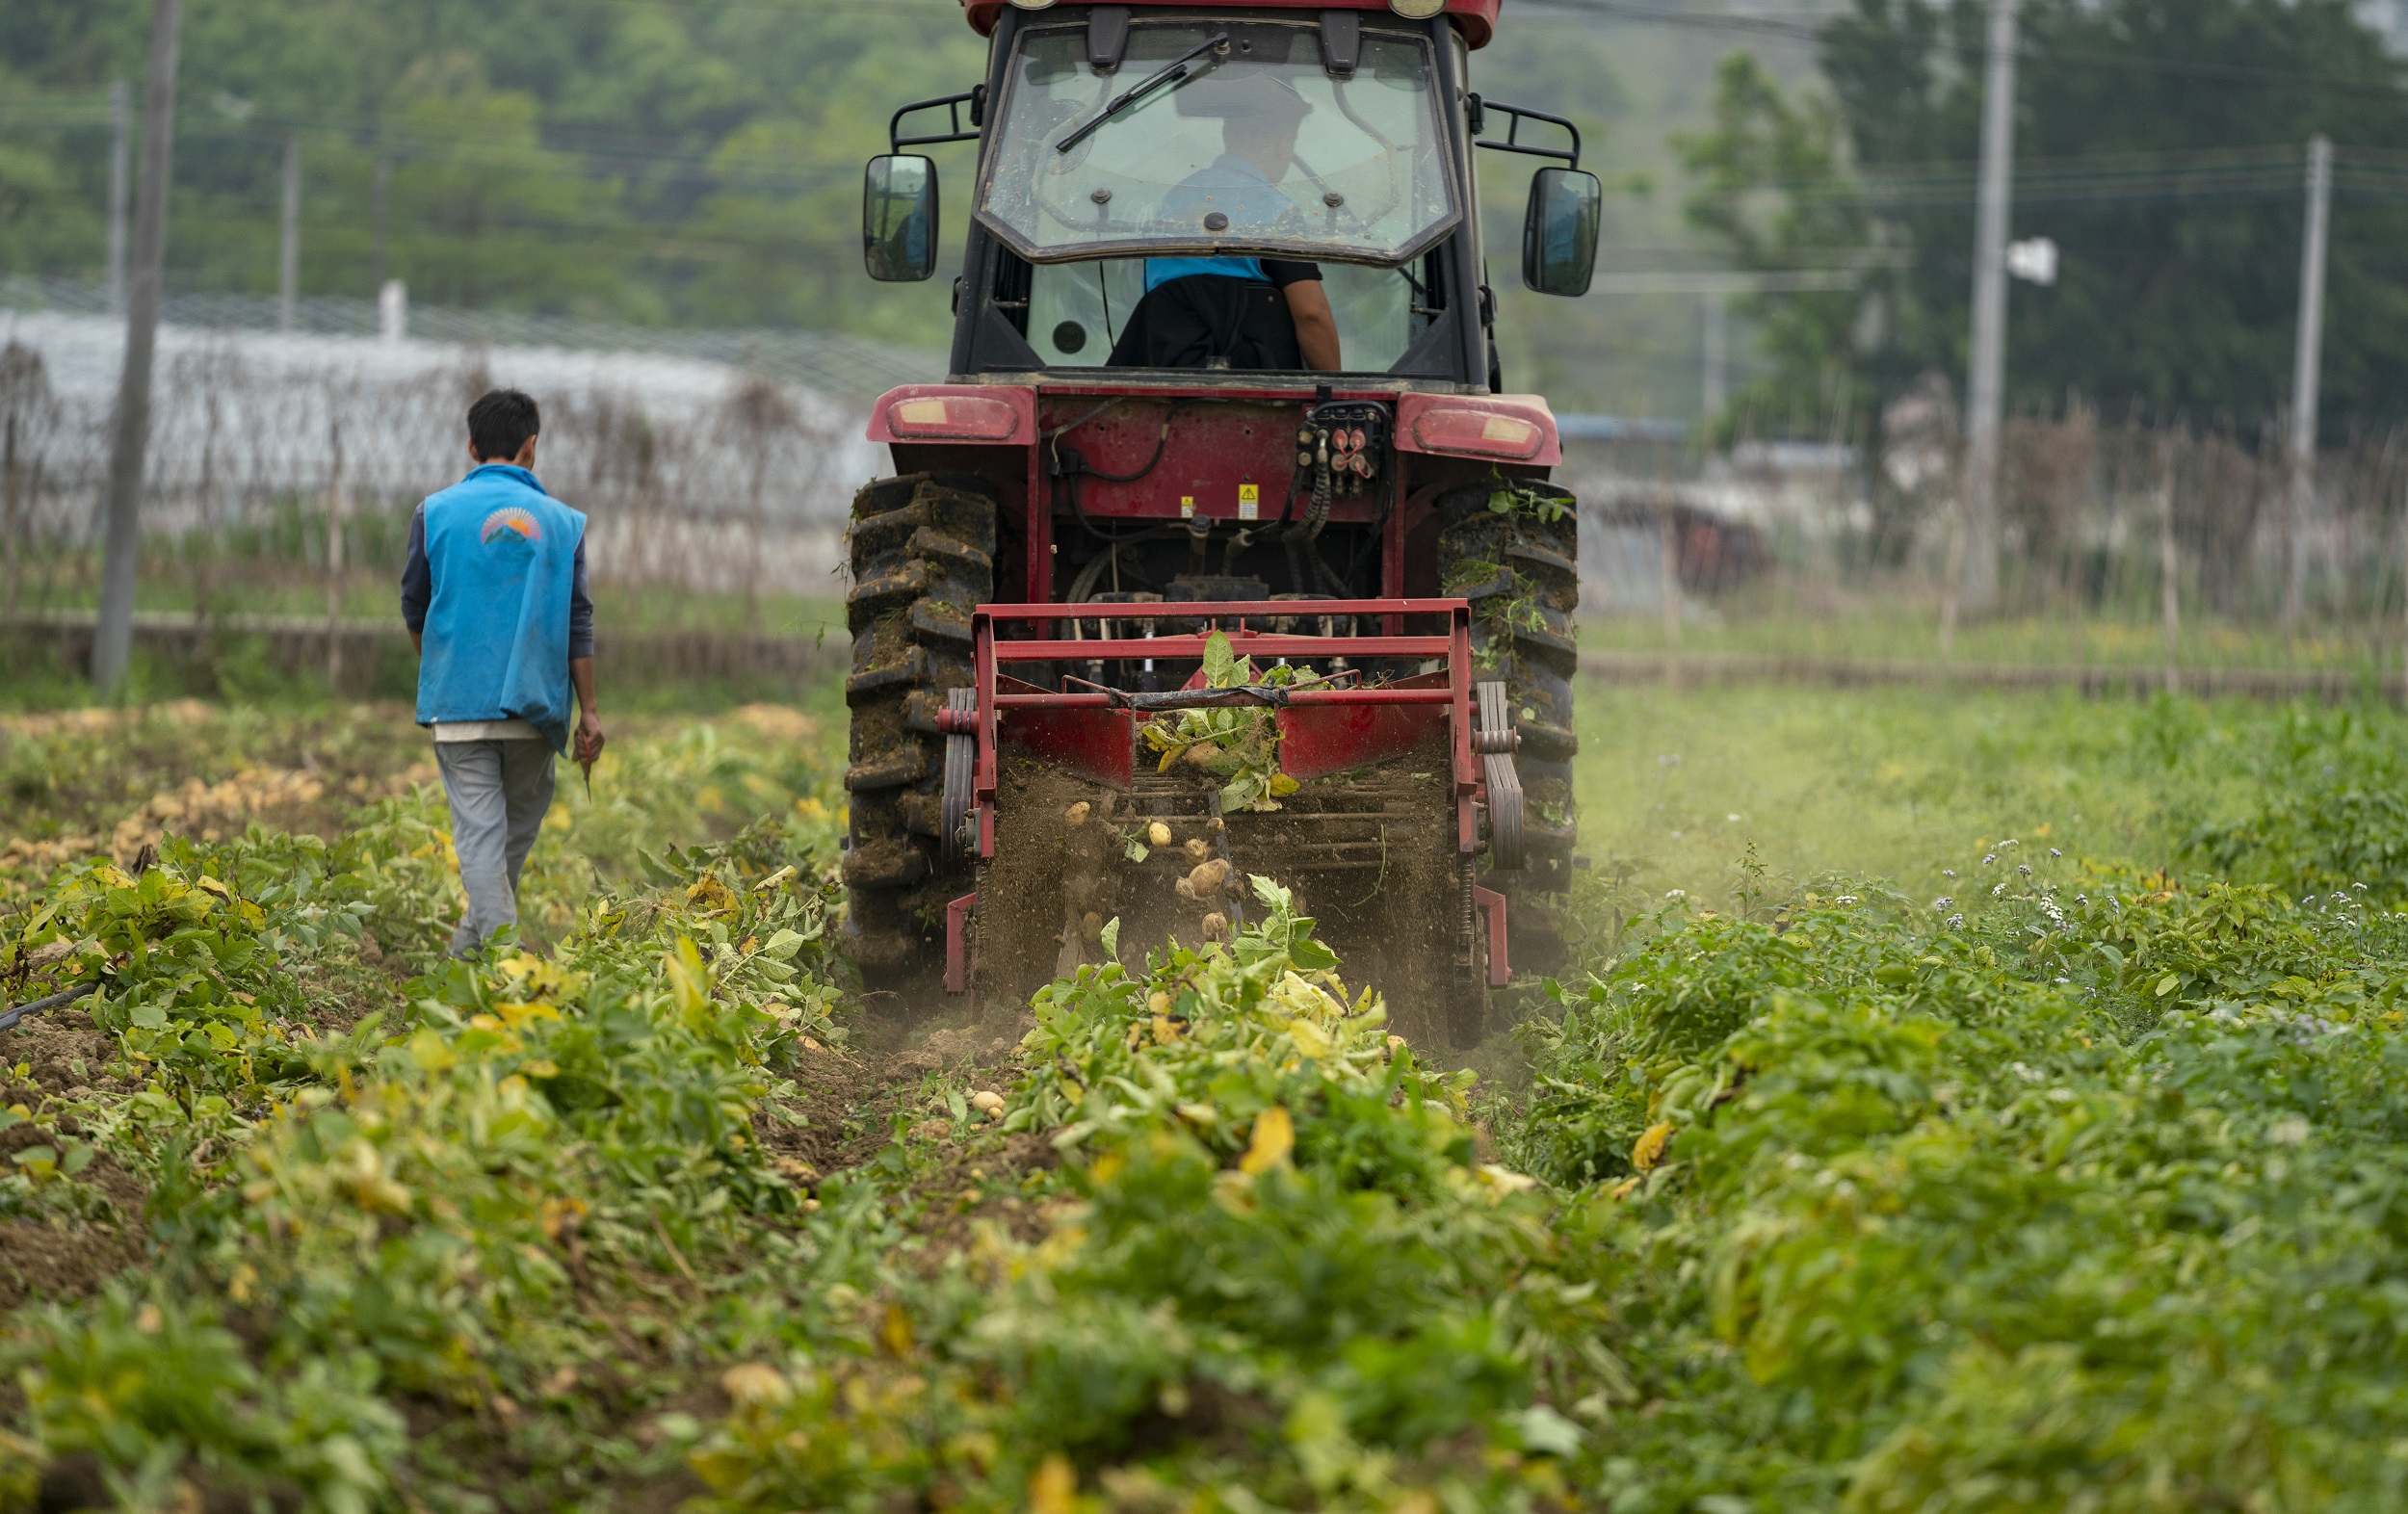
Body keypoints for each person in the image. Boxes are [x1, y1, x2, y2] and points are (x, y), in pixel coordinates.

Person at [399, 388, 604, 958]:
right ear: (531, 447)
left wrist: (445, 666)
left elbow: (414, 605)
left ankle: (479, 957)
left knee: (484, 845)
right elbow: (577, 621)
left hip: (457, 706)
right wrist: (588, 712)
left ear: (471, 445)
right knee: (506, 843)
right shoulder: (563, 525)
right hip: (534, 708)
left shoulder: (433, 512)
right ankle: (502, 965)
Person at [1108, 72, 1342, 372]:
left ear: (1228, 136)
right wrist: (1340, 394)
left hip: (1164, 370)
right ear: (1284, 143)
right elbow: (1311, 313)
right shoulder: (1274, 208)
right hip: (1253, 380)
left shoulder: (1173, 200)